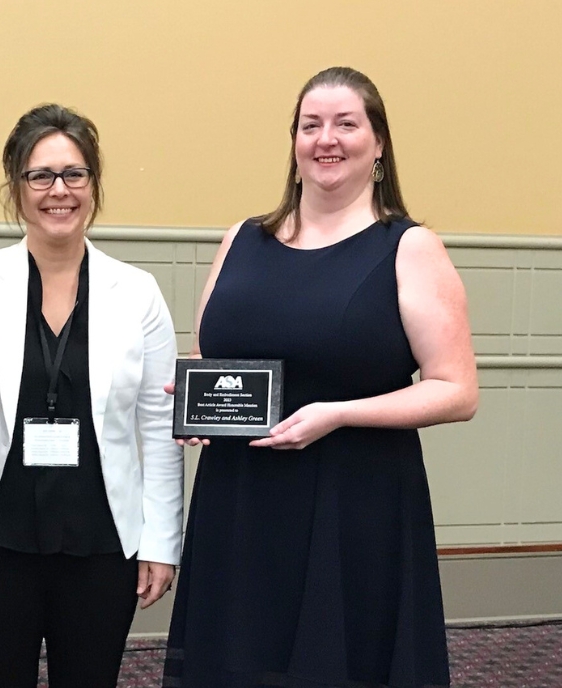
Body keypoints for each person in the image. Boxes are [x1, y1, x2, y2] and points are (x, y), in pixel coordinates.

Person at [163, 67, 478, 688]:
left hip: (351, 505)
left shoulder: (409, 247)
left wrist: (338, 413)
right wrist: (196, 399)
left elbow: (456, 390)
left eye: (346, 124)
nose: (326, 139)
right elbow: (213, 354)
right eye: (311, 125)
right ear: (294, 142)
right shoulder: (242, 239)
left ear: (379, 142)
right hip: (241, 499)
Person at [0, 103, 184, 688]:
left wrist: (162, 541)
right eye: (39, 175)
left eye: (74, 174)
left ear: (93, 185)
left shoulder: (137, 293)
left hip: (102, 542)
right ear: (16, 188)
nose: (58, 191)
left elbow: (159, 427)